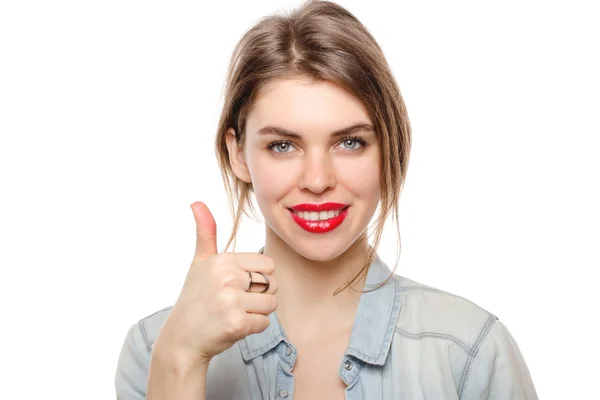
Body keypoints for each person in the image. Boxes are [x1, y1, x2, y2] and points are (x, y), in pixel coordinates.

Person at [115, 1, 538, 398]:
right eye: (283, 145)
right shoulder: (155, 347)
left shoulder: (469, 351)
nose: (317, 180)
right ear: (237, 154)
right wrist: (181, 357)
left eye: (350, 142)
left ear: (388, 151)